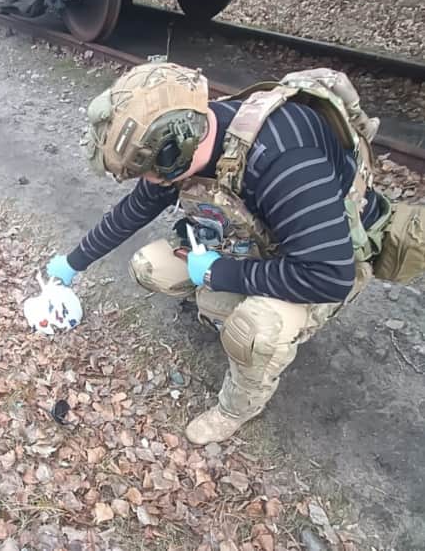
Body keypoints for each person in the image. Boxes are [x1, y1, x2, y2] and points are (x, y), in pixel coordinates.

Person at [46, 61, 394, 445]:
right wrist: (73, 263)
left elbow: (329, 276)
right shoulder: (190, 137)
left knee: (254, 330)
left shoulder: (284, 157)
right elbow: (133, 211)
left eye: (143, 172)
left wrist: (217, 273)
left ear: (173, 152)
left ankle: (237, 407)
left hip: (322, 260)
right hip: (261, 243)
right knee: (150, 267)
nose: (145, 182)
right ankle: (224, 309)